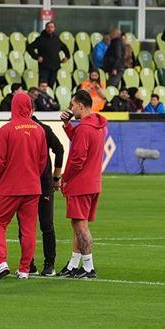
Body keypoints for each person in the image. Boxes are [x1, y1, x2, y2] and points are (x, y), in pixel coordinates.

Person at [0, 93, 48, 280]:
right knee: (29, 228)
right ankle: (24, 269)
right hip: (32, 186)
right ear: (29, 106)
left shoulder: (6, 129)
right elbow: (42, 160)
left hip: (9, 186)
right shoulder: (39, 130)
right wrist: (33, 177)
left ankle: (1, 262)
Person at [58, 90, 108, 279]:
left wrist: (65, 177)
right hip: (93, 182)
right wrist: (68, 125)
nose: (71, 108)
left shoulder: (84, 128)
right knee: (79, 225)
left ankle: (88, 267)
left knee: (80, 227)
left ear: (80, 105)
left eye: (72, 104)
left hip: (81, 184)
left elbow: (77, 158)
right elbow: (81, 140)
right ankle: (73, 265)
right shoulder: (98, 125)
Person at [24, 111, 64, 276]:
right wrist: (56, 176)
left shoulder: (41, 129)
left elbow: (59, 149)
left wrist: (56, 176)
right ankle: (46, 265)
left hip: (31, 183)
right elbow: (59, 149)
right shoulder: (43, 128)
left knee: (27, 225)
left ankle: (31, 263)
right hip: (43, 182)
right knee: (45, 225)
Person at [26, 21, 71, 87]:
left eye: (51, 27)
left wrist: (67, 57)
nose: (50, 29)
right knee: (43, 86)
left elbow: (65, 48)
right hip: (44, 67)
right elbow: (29, 47)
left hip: (55, 67)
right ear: (45, 28)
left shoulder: (56, 39)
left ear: (54, 28)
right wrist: (36, 56)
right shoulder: (40, 39)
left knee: (51, 87)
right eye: (48, 27)